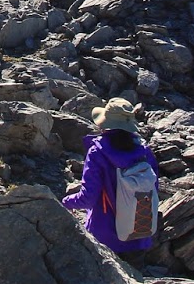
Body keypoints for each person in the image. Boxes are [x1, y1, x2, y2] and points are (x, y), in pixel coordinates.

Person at [61, 99, 160, 258]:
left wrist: (66, 202)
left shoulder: (98, 152)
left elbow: (88, 198)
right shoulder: (144, 152)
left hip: (106, 239)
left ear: (105, 123)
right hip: (139, 236)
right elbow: (154, 190)